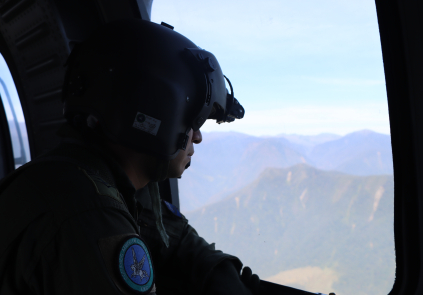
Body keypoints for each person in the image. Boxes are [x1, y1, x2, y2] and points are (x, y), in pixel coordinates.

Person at [0, 19, 259, 295]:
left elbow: (169, 235)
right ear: (160, 112)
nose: (197, 137)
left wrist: (220, 273)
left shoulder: (80, 178)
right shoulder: (91, 216)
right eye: (193, 122)